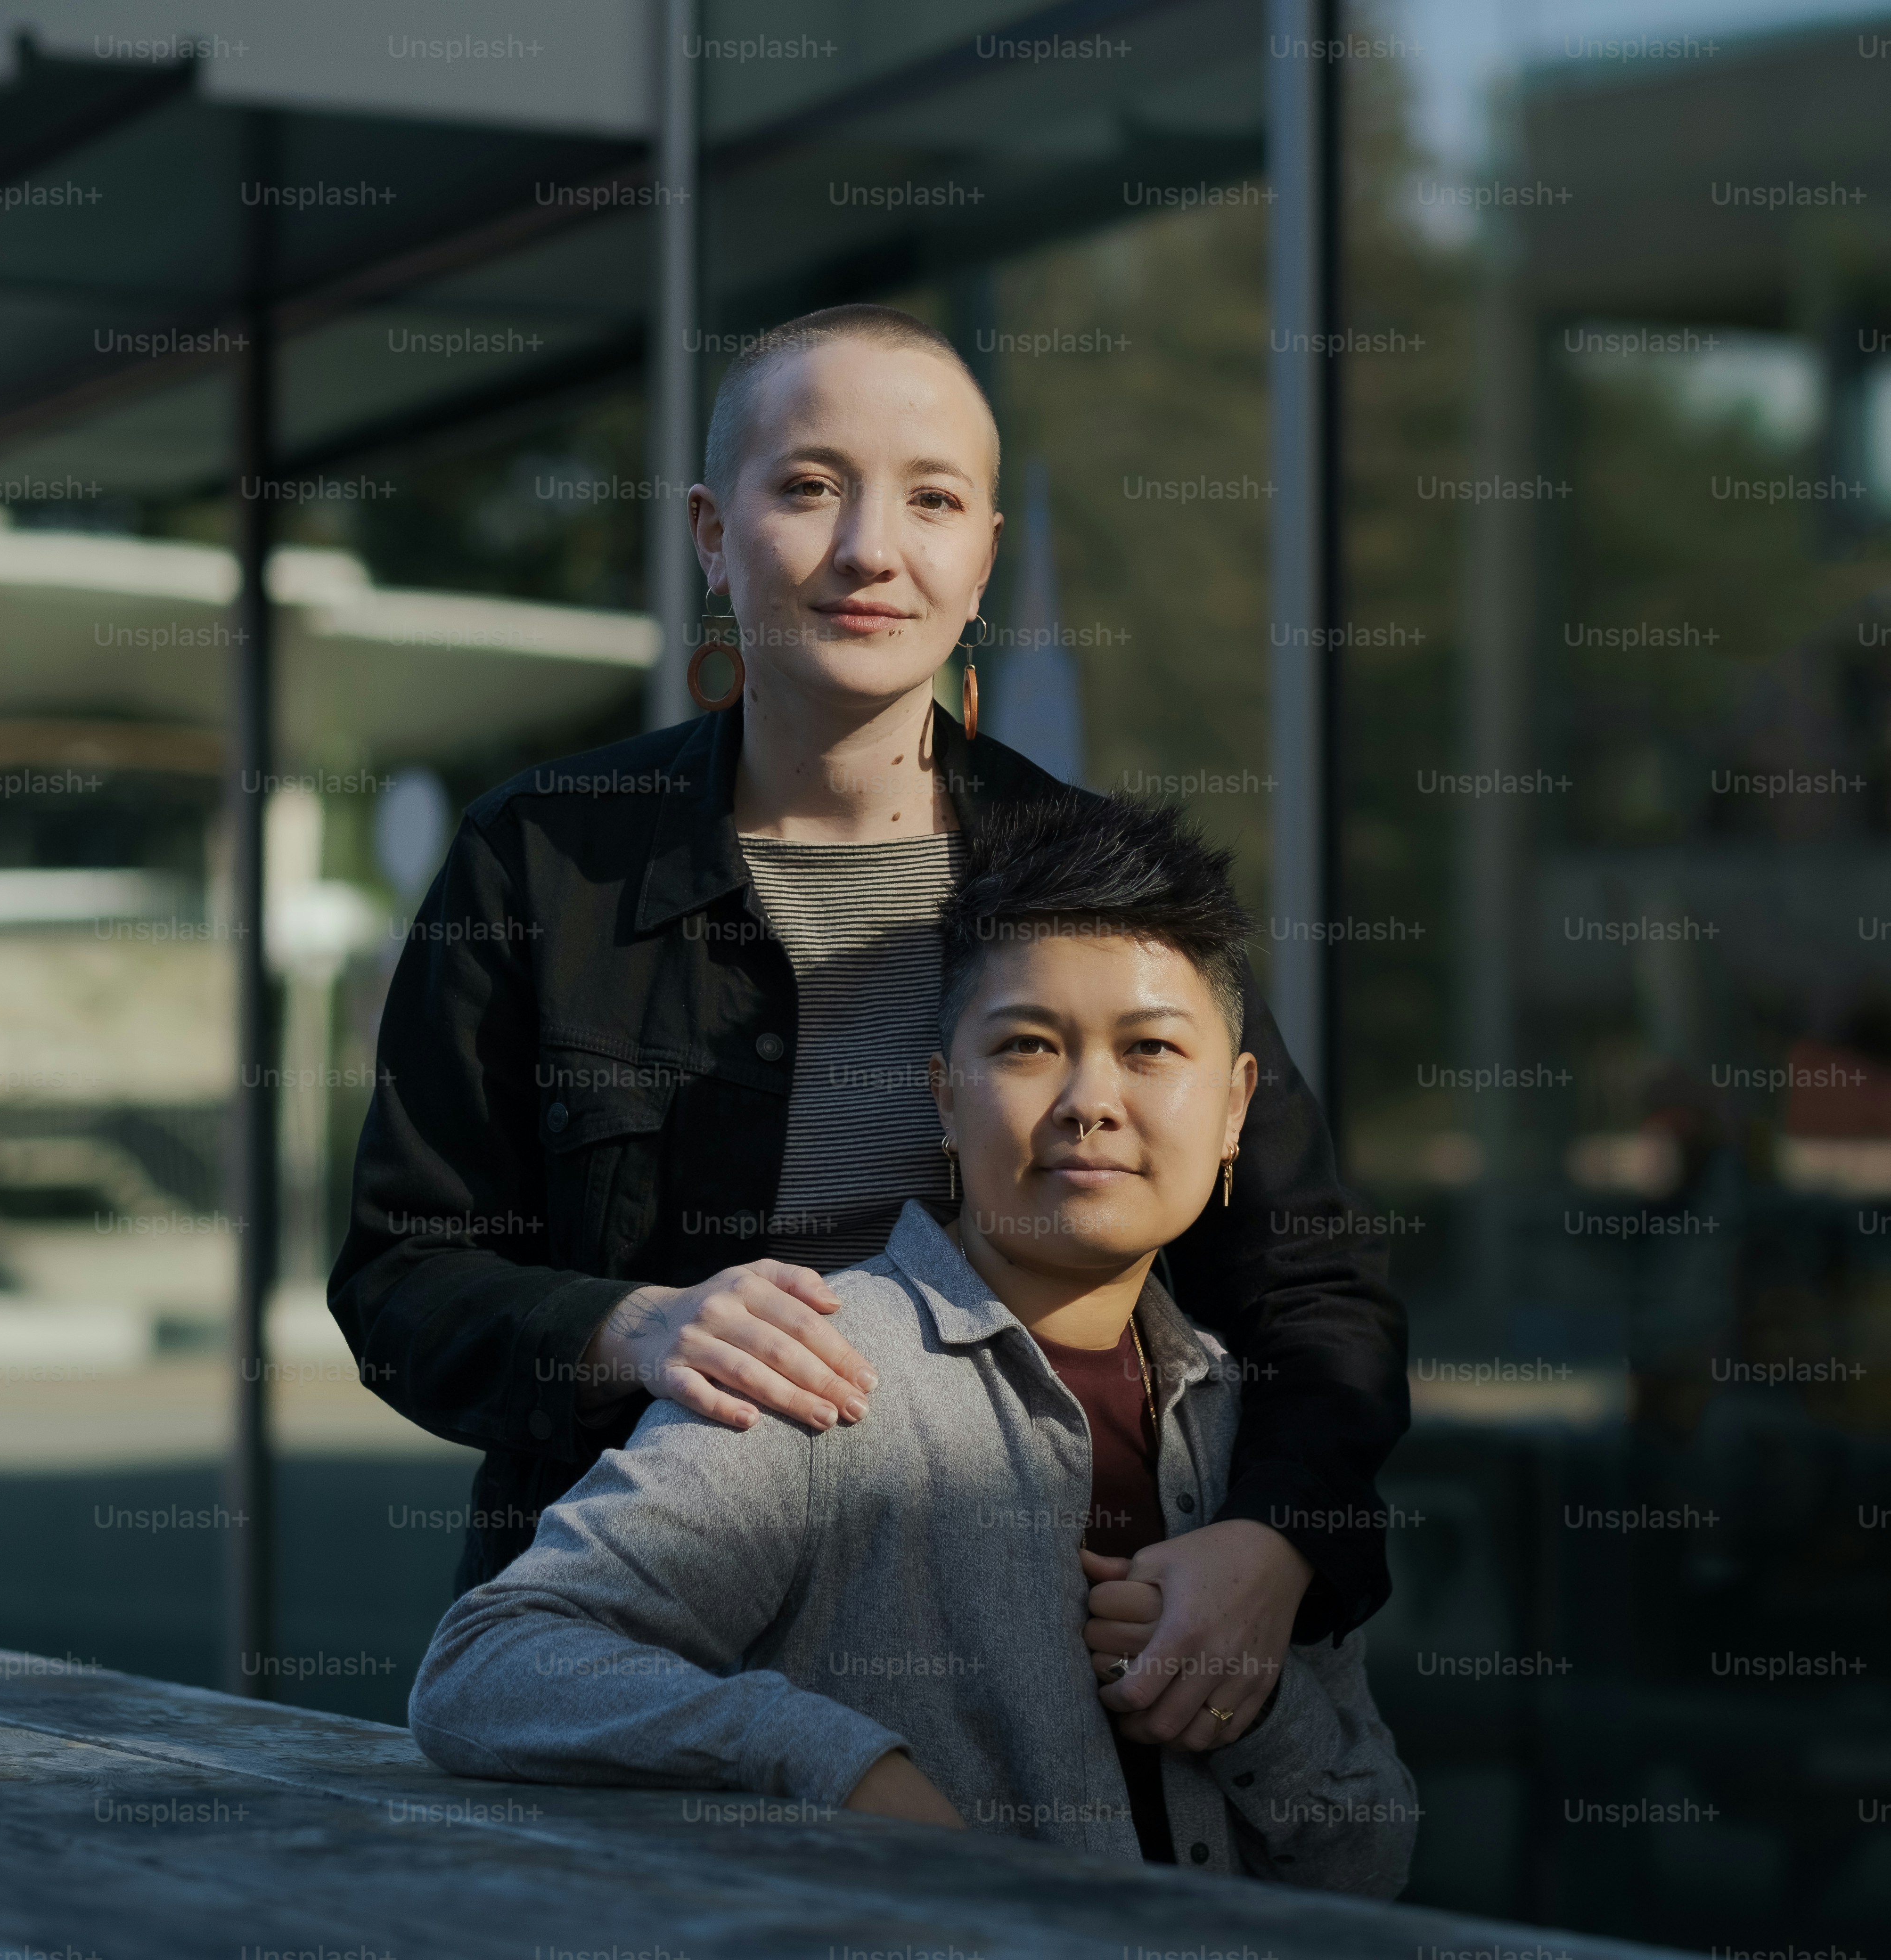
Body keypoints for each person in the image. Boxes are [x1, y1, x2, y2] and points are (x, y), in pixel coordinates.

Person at [328, 301, 1408, 1741]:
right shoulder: (541, 861)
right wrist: (628, 1329)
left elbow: (1312, 1290)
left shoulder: (1102, 883)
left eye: (933, 500)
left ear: (985, 556)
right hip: (654, 1654)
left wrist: (1281, 1543)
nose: (868, 551)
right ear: (713, 533)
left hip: (1033, 1671)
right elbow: (401, 1282)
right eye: (809, 487)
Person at [410, 795, 1417, 1892]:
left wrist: (1252, 1706)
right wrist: (832, 1762)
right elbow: (490, 1665)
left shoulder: (1245, 1426)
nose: (1090, 1101)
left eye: (1151, 1049)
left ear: (1235, 1112)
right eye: (1029, 1045)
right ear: (944, 1099)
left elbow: (1370, 1850)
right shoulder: (825, 1372)